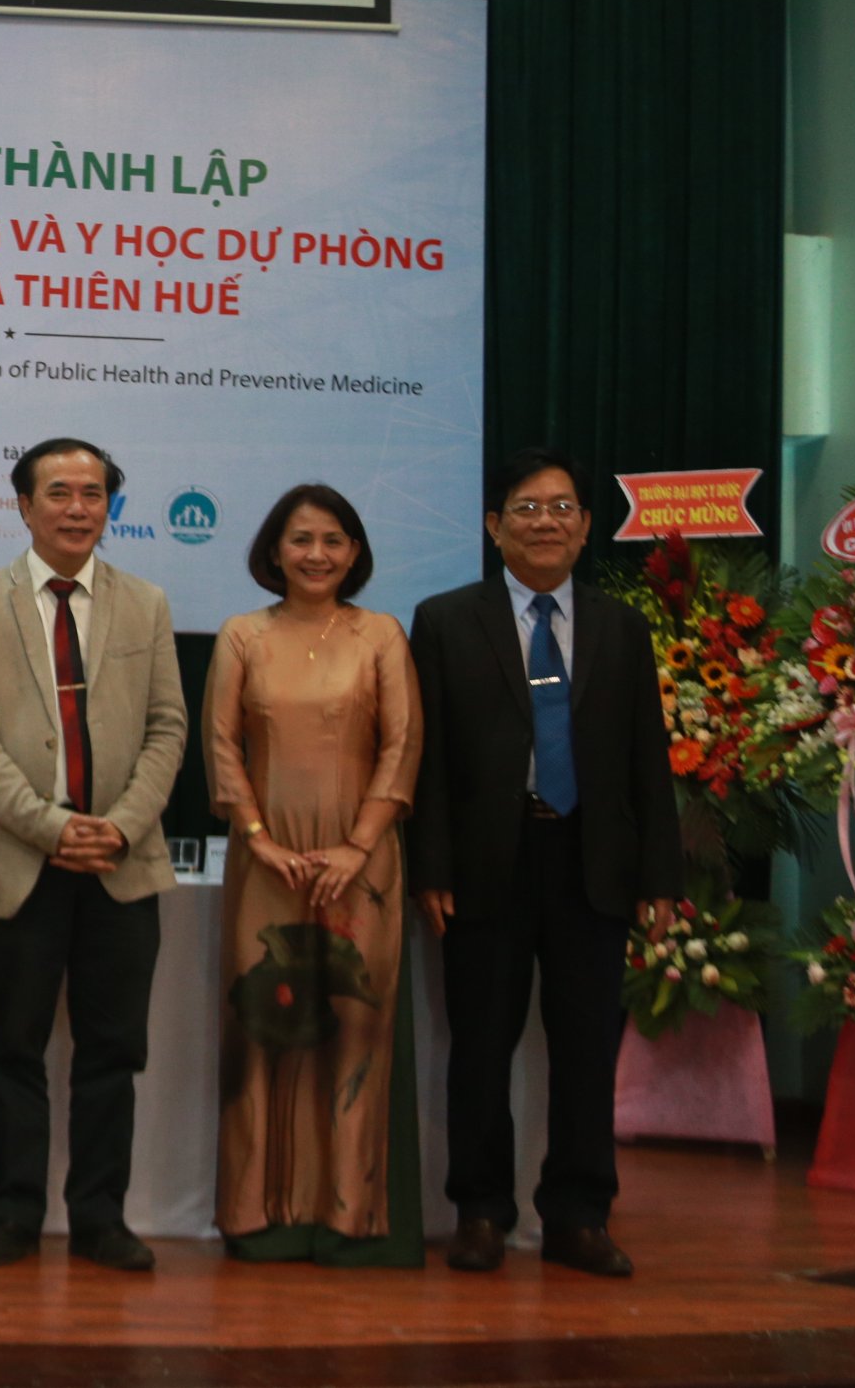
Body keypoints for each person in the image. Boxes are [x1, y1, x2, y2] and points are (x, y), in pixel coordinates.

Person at [409, 447, 680, 1278]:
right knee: (479, 1048)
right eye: (525, 508)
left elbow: (646, 756)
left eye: (561, 507)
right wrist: (431, 866)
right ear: (493, 526)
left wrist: (659, 877)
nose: (545, 522)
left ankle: (577, 1216)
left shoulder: (620, 626)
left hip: (591, 862)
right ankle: (479, 1212)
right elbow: (428, 759)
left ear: (586, 525)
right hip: (484, 864)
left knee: (587, 1051)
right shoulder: (445, 620)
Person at [0, 438, 187, 1274]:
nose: (77, 508)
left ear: (109, 506)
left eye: (92, 493)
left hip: (121, 864)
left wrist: (119, 825)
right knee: (12, 1051)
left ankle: (99, 1218)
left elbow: (167, 728)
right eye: (58, 492)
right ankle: (12, 1216)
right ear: (23, 505)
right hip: (21, 865)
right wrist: (49, 827)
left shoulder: (145, 602)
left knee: (111, 1053)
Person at [205, 483, 424, 1266]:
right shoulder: (242, 635)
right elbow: (221, 747)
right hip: (266, 865)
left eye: (332, 540)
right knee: (261, 1031)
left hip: (359, 866)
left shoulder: (379, 635)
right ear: (274, 550)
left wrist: (357, 847)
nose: (316, 554)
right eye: (300, 539)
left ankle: (349, 1216)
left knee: (352, 1031)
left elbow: (401, 745)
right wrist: (257, 838)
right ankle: (256, 1213)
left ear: (354, 551)